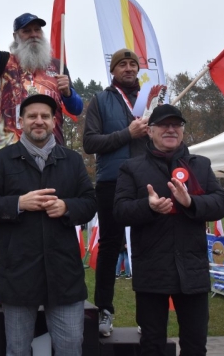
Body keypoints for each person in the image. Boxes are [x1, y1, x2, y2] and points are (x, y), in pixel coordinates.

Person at [0, 94, 97, 356]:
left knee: (70, 349)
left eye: (45, 116)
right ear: (21, 121)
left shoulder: (72, 160)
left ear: (54, 121)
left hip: (65, 276)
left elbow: (90, 202)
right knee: (17, 351)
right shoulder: (1, 161)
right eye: (32, 116)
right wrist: (19, 203)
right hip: (18, 274)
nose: (38, 121)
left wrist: (67, 207)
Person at [114, 104, 224, 356]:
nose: (170, 129)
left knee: (195, 344)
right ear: (151, 131)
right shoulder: (131, 168)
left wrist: (191, 202)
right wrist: (149, 206)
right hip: (152, 271)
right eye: (164, 125)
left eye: (176, 125)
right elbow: (120, 211)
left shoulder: (200, 165)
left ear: (182, 131)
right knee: (152, 343)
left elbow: (221, 204)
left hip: (193, 271)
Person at [0, 0, 83, 149]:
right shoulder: (4, 62)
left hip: (52, 149)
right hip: (13, 148)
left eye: (37, 30)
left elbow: (76, 108)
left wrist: (69, 93)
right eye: (26, 31)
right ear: (16, 36)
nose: (33, 34)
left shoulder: (58, 65)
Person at [82, 48, 149, 336]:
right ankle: (104, 311)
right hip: (113, 181)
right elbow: (90, 142)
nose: (129, 68)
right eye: (122, 64)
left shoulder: (150, 100)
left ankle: (148, 316)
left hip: (147, 180)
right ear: (114, 71)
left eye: (133, 64)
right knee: (110, 247)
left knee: (148, 246)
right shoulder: (100, 100)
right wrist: (127, 134)